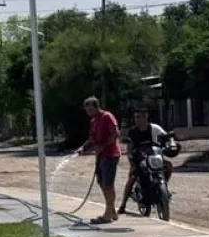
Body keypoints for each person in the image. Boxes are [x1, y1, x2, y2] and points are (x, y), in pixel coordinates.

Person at [118, 106, 174, 215]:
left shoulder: (155, 128)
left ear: (146, 117)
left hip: (154, 157)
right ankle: (123, 205)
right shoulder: (133, 131)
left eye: (139, 117)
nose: (137, 120)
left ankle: (163, 187)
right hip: (140, 159)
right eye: (136, 117)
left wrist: (171, 144)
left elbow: (167, 136)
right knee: (132, 177)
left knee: (168, 166)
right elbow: (129, 148)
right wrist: (132, 161)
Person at [74, 96, 121, 225]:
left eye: (91, 110)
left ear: (97, 107)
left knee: (108, 184)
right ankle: (112, 211)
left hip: (110, 155)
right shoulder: (94, 121)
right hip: (100, 156)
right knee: (102, 183)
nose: (89, 113)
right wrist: (83, 148)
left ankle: (107, 215)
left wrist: (103, 146)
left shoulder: (107, 117)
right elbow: (92, 139)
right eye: (87, 110)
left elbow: (115, 134)